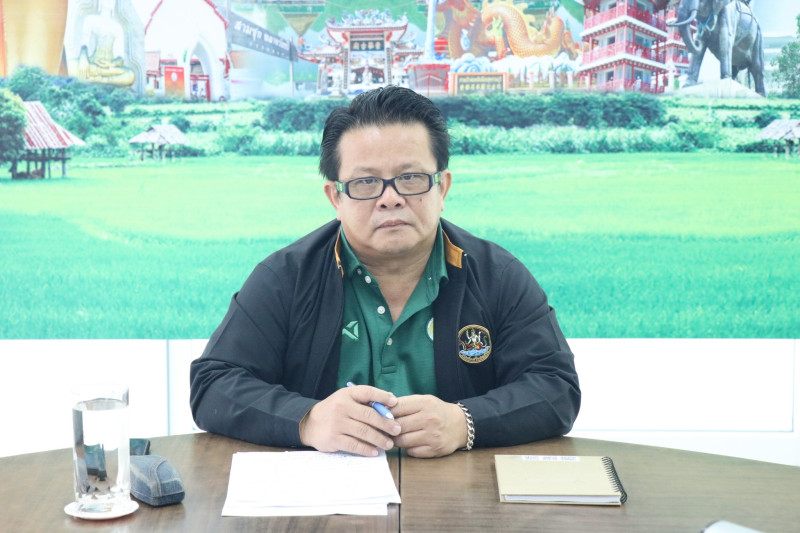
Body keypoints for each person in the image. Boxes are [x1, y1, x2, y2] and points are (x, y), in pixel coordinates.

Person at [190, 86, 580, 458]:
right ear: (336, 197)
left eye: (410, 178)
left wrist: (464, 423)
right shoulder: (285, 278)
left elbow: (556, 386)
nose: (390, 199)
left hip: (461, 493)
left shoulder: (498, 276)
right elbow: (213, 384)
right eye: (366, 182)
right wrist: (307, 420)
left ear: (442, 189)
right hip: (325, 497)